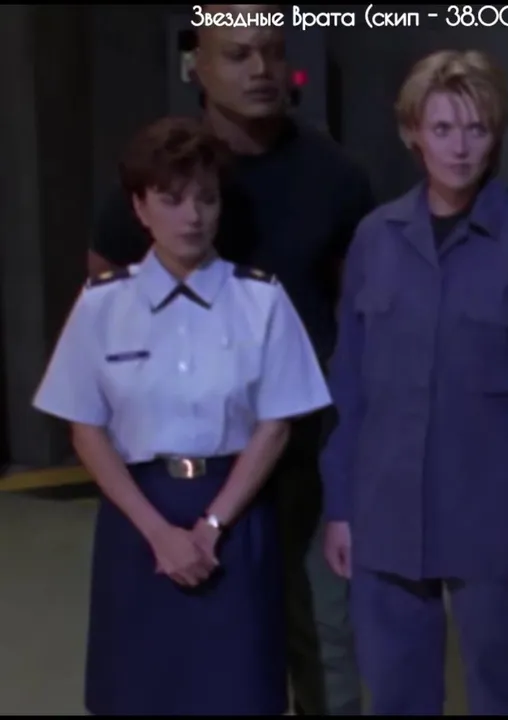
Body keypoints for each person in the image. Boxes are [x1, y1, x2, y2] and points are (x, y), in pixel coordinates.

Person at [86, 11, 373, 715]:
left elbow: (361, 313)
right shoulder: (165, 171)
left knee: (324, 634)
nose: (261, 70)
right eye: (239, 54)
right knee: (197, 639)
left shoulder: (333, 176)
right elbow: (103, 304)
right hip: (193, 457)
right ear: (200, 67)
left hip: (304, 449)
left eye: (271, 52)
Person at [33, 116, 331, 714]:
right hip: (138, 515)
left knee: (238, 689)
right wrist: (158, 534)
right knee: (140, 691)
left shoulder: (261, 300)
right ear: (140, 208)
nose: (192, 217)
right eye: (171, 200)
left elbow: (276, 425)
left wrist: (211, 527)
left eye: (206, 199)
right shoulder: (102, 306)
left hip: (235, 513)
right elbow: (85, 430)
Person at [320, 49, 508, 715]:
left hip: (493, 519)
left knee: (503, 692)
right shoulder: (376, 239)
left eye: (476, 129)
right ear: (412, 132)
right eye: (442, 129)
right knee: (395, 694)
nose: (460, 149)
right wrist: (341, 507)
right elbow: (348, 387)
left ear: (498, 134)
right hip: (385, 513)